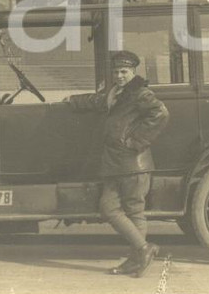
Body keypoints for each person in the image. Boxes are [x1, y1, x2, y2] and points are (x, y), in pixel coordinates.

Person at [53, 50, 170, 277]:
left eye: (124, 71)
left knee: (130, 210)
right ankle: (141, 252)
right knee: (114, 208)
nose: (119, 76)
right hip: (117, 163)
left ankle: (139, 255)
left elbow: (161, 114)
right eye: (116, 72)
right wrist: (72, 100)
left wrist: (135, 141)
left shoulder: (140, 93)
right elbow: (96, 100)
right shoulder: (117, 93)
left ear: (133, 71)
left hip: (133, 163)